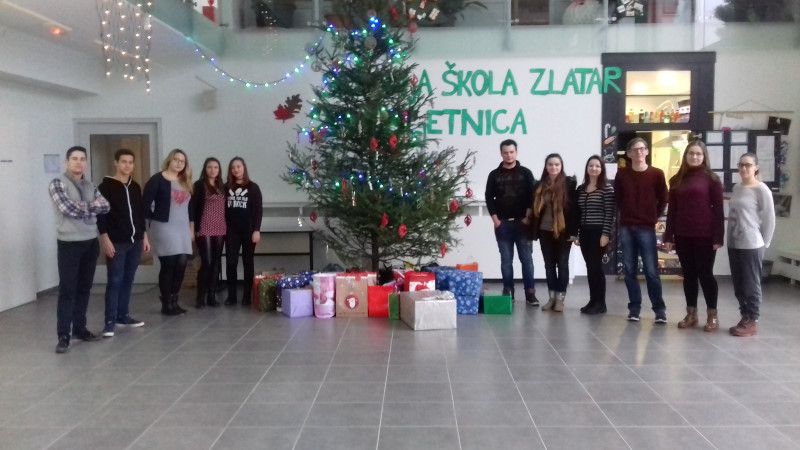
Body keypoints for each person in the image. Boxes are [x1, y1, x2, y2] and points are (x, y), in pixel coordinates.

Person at [48, 146, 110, 353]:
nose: (78, 162)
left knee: (84, 288)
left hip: (90, 242)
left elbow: (106, 206)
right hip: (69, 243)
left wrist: (82, 206)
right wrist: (91, 206)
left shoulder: (91, 185)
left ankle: (79, 329)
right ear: (67, 162)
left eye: (82, 159)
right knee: (68, 290)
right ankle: (63, 335)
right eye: (74, 158)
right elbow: (67, 209)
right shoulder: (58, 183)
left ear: (86, 163)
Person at [662, 141, 724, 331]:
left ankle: (712, 315)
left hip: (705, 236)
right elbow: (672, 210)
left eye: (698, 154)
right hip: (683, 235)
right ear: (685, 155)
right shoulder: (676, 180)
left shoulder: (712, 179)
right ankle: (691, 314)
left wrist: (718, 237)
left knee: (705, 275)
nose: (694, 157)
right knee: (688, 275)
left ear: (704, 157)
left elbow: (718, 210)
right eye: (691, 153)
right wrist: (668, 236)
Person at [97, 149, 150, 338]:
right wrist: (105, 238)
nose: (127, 165)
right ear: (116, 163)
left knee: (128, 279)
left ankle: (123, 315)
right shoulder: (105, 187)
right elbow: (101, 216)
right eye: (124, 161)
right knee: (115, 280)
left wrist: (144, 236)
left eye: (130, 162)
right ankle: (109, 322)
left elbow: (139, 213)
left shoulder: (135, 186)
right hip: (116, 242)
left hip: (136, 241)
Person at [615, 138, 668, 323]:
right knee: (629, 270)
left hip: (646, 227)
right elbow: (618, 199)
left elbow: (663, 198)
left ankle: (659, 310)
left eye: (642, 149)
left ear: (647, 152)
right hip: (627, 227)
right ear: (629, 154)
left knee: (651, 270)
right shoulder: (622, 174)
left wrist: (654, 216)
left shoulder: (657, 174)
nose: (638, 152)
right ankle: (634, 308)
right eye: (634, 149)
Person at [727, 152, 775, 337]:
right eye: (741, 165)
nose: (743, 168)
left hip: (751, 244)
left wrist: (764, 243)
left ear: (756, 168)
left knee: (751, 283)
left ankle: (753, 320)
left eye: (748, 165)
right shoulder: (737, 187)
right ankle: (745, 316)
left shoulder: (761, 189)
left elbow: (769, 219)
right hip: (734, 242)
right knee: (739, 284)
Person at [485, 139, 538, 305]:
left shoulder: (526, 173)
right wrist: (496, 220)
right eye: (506, 152)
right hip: (503, 224)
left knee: (527, 260)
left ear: (516, 152)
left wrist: (528, 217)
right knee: (506, 261)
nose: (509, 155)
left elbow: (533, 196)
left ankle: (530, 293)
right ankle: (508, 292)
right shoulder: (494, 175)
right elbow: (489, 197)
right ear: (501, 154)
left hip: (523, 224)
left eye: (511, 152)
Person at [143, 149, 194, 316]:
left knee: (182, 263)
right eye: (176, 159)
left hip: (182, 228)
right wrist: (154, 219)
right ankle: (166, 303)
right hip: (164, 227)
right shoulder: (157, 179)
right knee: (169, 263)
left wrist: (191, 228)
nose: (179, 163)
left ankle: (174, 300)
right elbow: (144, 204)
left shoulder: (185, 181)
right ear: (169, 161)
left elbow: (190, 208)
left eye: (182, 161)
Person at [530, 153, 577, 312]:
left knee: (562, 264)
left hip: (563, 231)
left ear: (561, 166)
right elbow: (536, 209)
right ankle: (551, 298)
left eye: (557, 164)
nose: (553, 167)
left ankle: (560, 299)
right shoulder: (539, 185)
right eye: (550, 164)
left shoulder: (569, 184)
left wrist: (573, 232)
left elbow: (574, 210)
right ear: (546, 166)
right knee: (549, 266)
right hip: (544, 231)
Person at [575, 155, 615, 315]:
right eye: (591, 165)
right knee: (590, 267)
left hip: (599, 232)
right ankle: (593, 301)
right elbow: (578, 213)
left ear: (602, 169)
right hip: (585, 232)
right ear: (587, 168)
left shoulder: (607, 188)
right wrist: (578, 233)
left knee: (595, 266)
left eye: (597, 166)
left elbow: (609, 213)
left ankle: (601, 303)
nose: (594, 168)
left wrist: (605, 234)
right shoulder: (581, 188)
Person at [224, 157, 263, 306]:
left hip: (248, 230)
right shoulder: (226, 187)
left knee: (248, 262)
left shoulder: (253, 187)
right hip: (231, 231)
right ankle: (231, 296)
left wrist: (256, 230)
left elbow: (258, 211)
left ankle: (247, 296)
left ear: (244, 168)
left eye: (238, 166)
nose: (236, 169)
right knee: (231, 262)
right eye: (233, 167)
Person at [192, 157, 226, 309]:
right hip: (204, 227)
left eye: (215, 167)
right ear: (205, 169)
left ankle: (212, 295)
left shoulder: (222, 186)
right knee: (206, 261)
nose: (212, 170)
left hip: (220, 227)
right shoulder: (199, 185)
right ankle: (200, 296)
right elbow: (193, 208)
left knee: (216, 263)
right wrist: (192, 228)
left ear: (219, 170)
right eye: (209, 167)